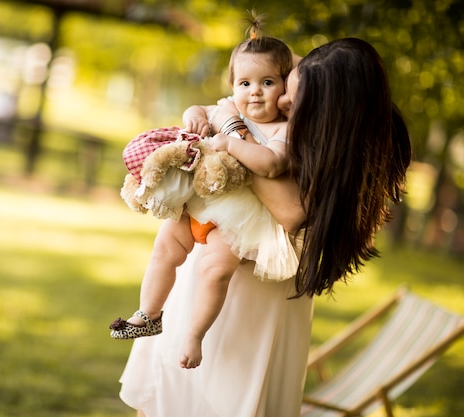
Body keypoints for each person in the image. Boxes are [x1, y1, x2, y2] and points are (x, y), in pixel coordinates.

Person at [118, 36, 412, 417]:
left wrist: (234, 128)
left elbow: (290, 209)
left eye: (293, 95)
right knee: (165, 400)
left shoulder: (328, 152)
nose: (282, 102)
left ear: (327, 108)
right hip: (211, 268)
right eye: (285, 86)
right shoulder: (315, 109)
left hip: (250, 300)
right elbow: (267, 61)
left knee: (218, 401)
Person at [110, 17, 297, 370]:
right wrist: (194, 116)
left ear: (284, 90)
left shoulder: (283, 130)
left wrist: (229, 141)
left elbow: (272, 164)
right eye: (245, 82)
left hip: (237, 225)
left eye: (267, 82)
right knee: (165, 248)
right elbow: (198, 110)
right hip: (196, 207)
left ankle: (195, 336)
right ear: (233, 85)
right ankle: (148, 314)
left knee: (215, 270)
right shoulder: (229, 107)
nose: (254, 91)